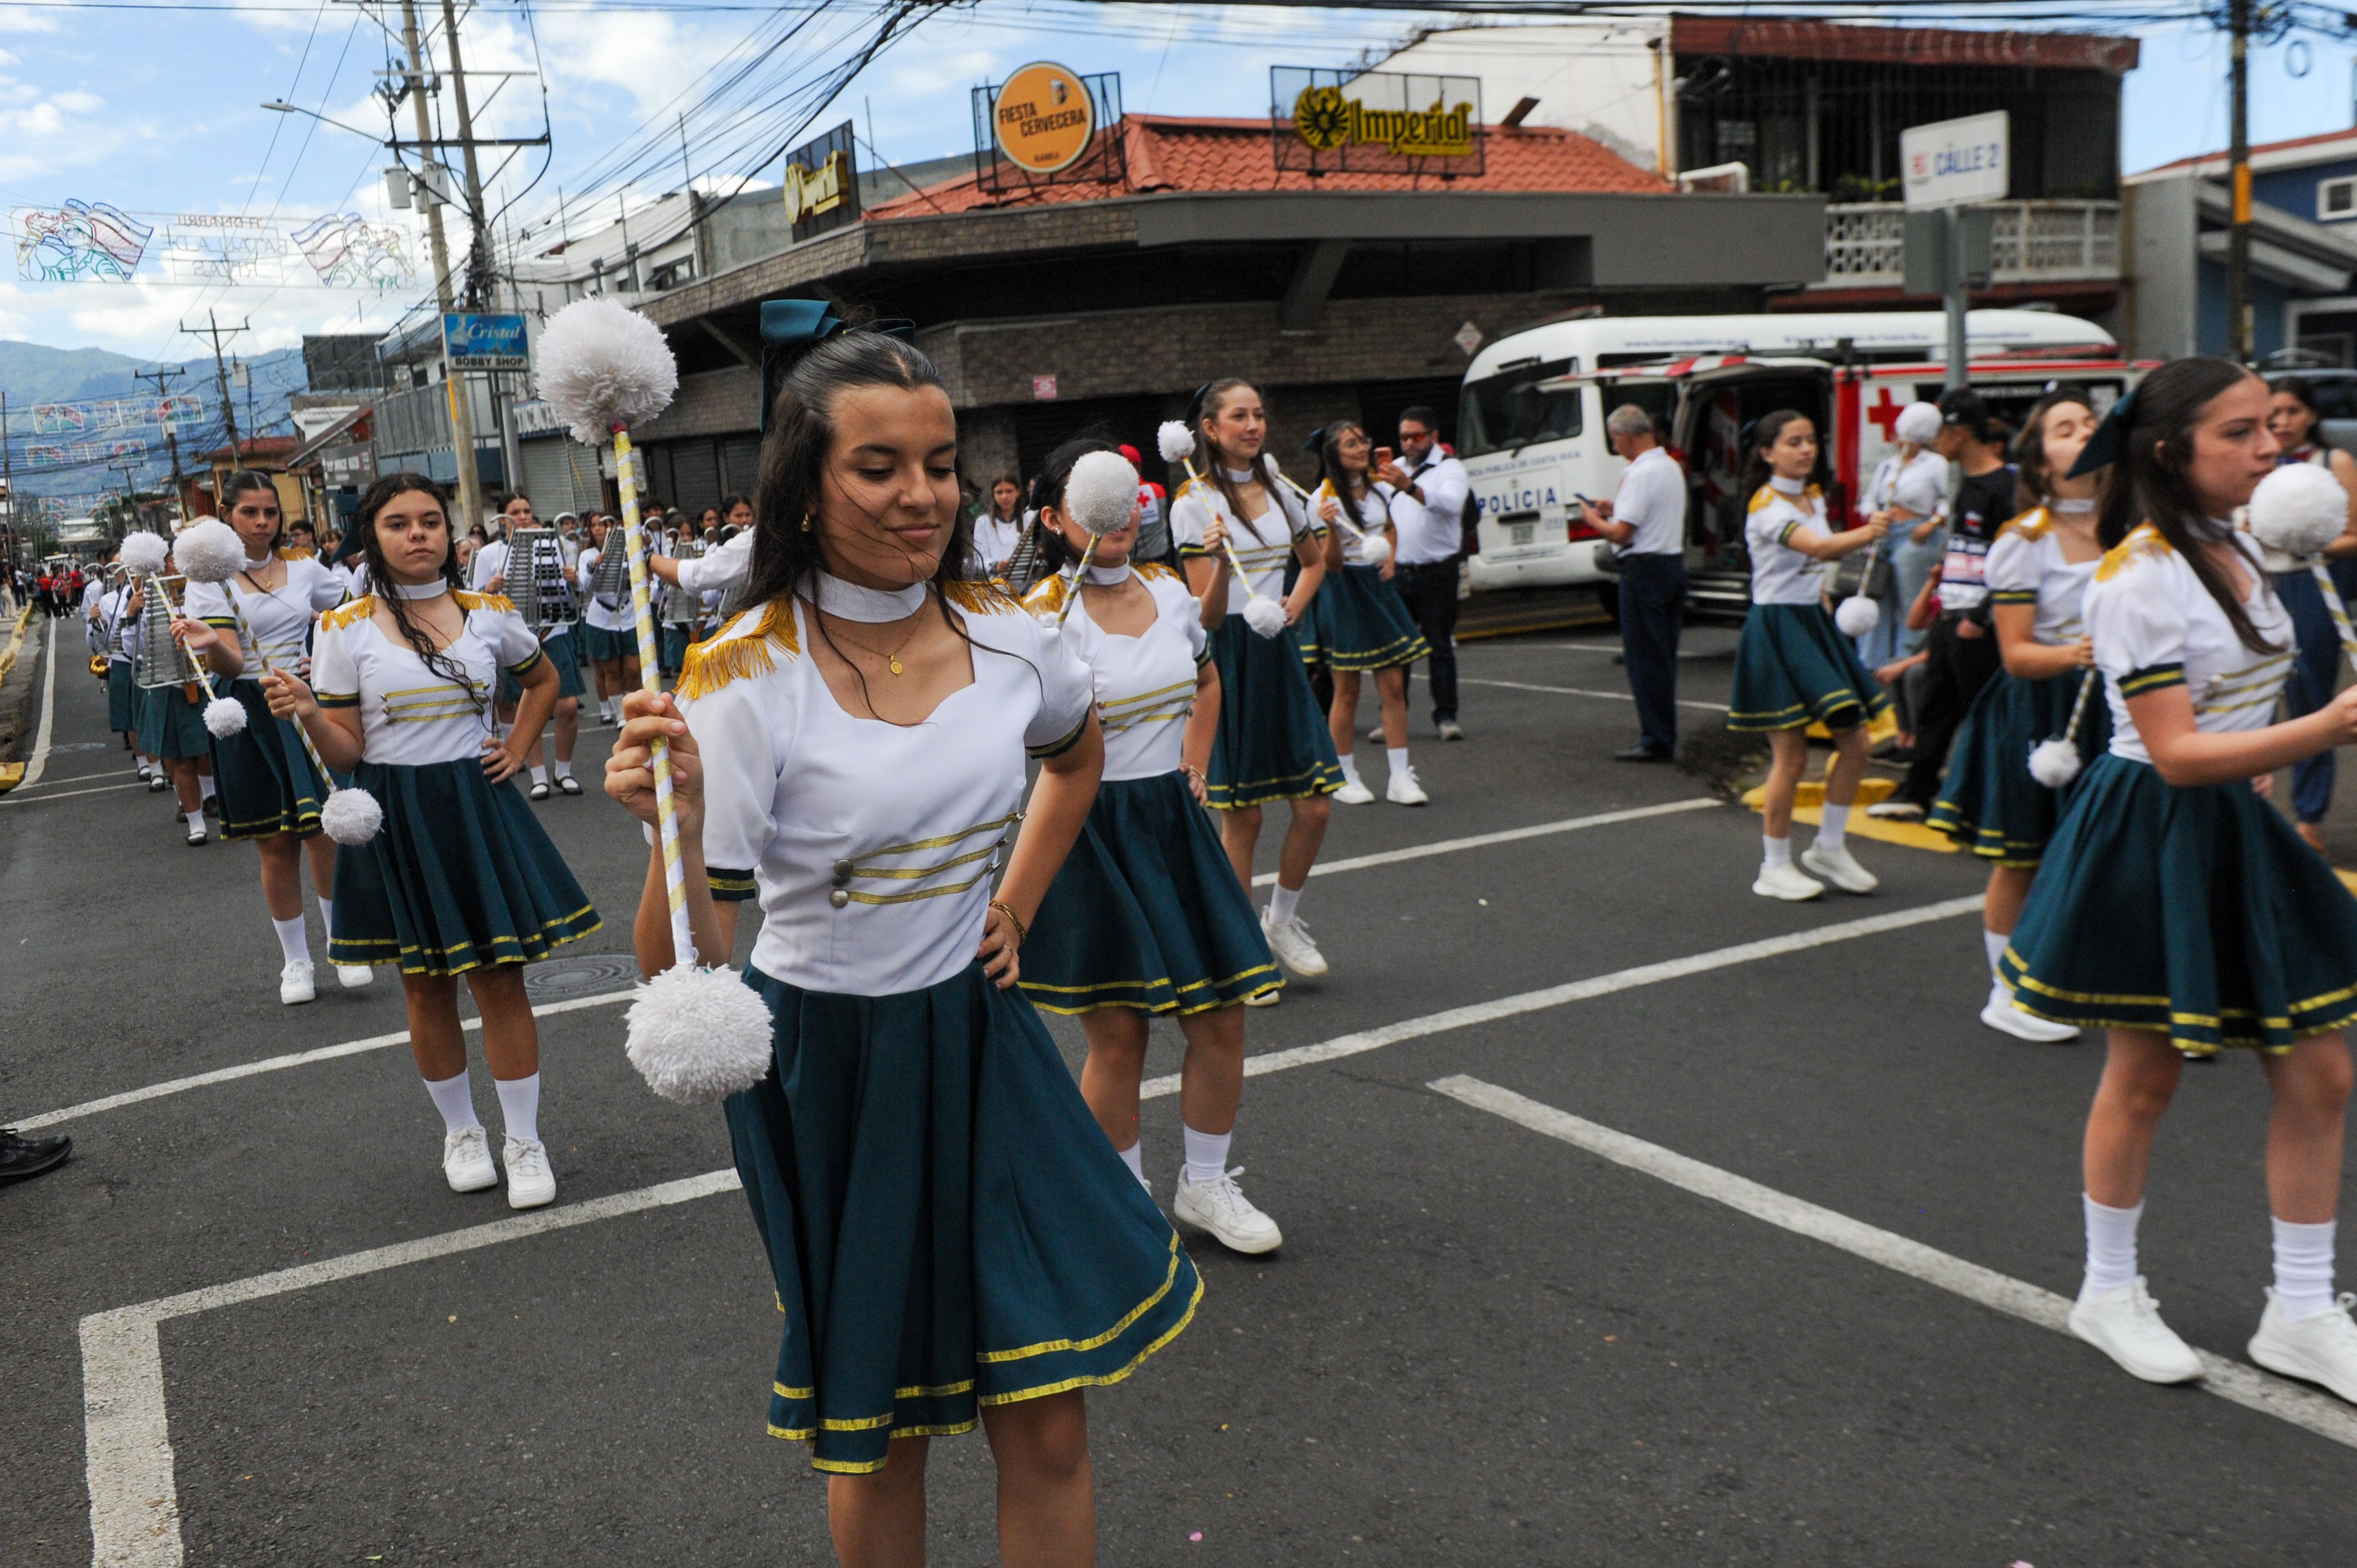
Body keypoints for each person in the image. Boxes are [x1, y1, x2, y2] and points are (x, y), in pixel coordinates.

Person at [606, 328, 1197, 1545]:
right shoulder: (739, 675)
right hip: (833, 1064)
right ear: (805, 489)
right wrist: (678, 827)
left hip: (985, 1042)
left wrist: (1015, 904)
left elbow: (1074, 759)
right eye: (877, 467)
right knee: (884, 1432)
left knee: (1048, 1413)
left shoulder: (1015, 637)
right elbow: (681, 966)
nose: (920, 494)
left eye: (938, 463)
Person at [2000, 357, 2357, 1405]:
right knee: (2144, 1075)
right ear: (2172, 453)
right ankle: (2107, 1290)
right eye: (2241, 433)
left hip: (2235, 823)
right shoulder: (2138, 574)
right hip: (2153, 825)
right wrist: (2331, 722)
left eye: (2270, 429)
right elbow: (2175, 752)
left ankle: (2301, 1310)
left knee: (2322, 1073)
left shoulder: (2242, 538)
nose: (2270, 448)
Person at [266, 473, 596, 1209]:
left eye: (430, 522)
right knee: (425, 986)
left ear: (449, 534)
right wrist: (309, 712)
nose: (418, 534)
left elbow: (544, 683)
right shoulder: (342, 629)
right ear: (372, 539)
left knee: (502, 979)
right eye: (398, 524)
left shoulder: (490, 615)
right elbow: (346, 755)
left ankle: (525, 1140)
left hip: (477, 809)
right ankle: (461, 1133)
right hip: (395, 815)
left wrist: (518, 744)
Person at [1020, 437, 1284, 1253]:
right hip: (1090, 833)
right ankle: (1125, 1208)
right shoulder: (1038, 619)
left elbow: (1206, 679)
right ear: (1055, 517)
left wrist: (1194, 761)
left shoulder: (1171, 592)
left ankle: (1204, 1186)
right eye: (1092, 507)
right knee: (1121, 1033)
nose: (1119, 520)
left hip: (1172, 824)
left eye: (1128, 501)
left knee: (1222, 1015)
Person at [1926, 390, 2109, 1043]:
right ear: (2037, 462)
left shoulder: (2131, 529)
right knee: (2021, 857)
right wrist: (2076, 653)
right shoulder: (2023, 540)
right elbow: (2016, 655)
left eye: (2090, 422)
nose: (2084, 431)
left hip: (2117, 707)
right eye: (2066, 427)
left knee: (2110, 855)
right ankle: (2005, 992)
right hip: (2041, 709)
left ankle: (2109, 985)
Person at [1170, 378, 1341, 991]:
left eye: (1259, 415)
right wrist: (1217, 563)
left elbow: (1315, 561)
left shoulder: (1279, 488)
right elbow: (1206, 617)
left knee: (1315, 805)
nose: (1253, 425)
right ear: (1209, 429)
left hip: (1276, 651)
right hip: (1229, 655)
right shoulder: (1193, 501)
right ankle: (1244, 951)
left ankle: (1281, 921)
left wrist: (1291, 608)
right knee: (1242, 820)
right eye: (1238, 416)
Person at [177, 470, 368, 1004]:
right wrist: (212, 642)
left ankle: (342, 943)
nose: (263, 523)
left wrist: (324, 646)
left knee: (325, 831)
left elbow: (350, 609)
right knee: (276, 842)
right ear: (226, 514)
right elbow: (233, 661)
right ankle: (296, 962)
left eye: (270, 513)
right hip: (250, 712)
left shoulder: (306, 566)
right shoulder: (206, 580)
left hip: (306, 703)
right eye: (249, 513)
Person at [1727, 409, 1890, 901]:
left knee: (1857, 743)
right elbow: (1818, 548)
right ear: (1767, 452)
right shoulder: (1768, 507)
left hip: (1812, 624)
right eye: (1794, 442)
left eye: (1811, 440)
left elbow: (1813, 568)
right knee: (1791, 757)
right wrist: (1869, 531)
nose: (1806, 449)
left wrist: (1824, 601)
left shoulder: (1811, 495)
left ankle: (1830, 848)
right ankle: (1774, 865)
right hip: (1776, 628)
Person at [1872, 390, 2015, 821]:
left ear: (1960, 433)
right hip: (1948, 614)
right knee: (1935, 710)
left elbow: (2013, 564)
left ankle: (1991, 802)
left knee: (1984, 717)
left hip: (1976, 625)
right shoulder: (1966, 487)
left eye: (1940, 433)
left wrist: (1979, 616)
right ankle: (1916, 793)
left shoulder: (2005, 489)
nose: (1935, 443)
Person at [1308, 421, 1429, 804]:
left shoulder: (1378, 487)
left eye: (1362, 440)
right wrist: (1329, 528)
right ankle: (1344, 775)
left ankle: (1400, 777)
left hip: (1379, 587)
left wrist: (1391, 555)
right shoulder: (1321, 500)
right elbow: (1331, 566)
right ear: (1334, 454)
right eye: (1350, 444)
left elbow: (1389, 527)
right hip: (1345, 591)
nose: (1361, 449)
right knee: (1347, 689)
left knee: (1394, 686)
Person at [2260, 378, 2357, 852]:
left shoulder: (2332, 462)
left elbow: (2355, 534)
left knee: (2312, 700)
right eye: (2272, 413)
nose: (2281, 422)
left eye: (2292, 411)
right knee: (2250, 697)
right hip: (2256, 587)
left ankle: (2310, 817)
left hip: (2314, 589)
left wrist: (2305, 544)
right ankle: (2248, 805)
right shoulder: (2253, 463)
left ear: (2312, 416)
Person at [1582, 402, 1687, 762]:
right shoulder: (1669, 466)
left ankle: (1657, 739)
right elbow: (1646, 515)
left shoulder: (1640, 473)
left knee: (1645, 661)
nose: (1614, 446)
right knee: (1663, 656)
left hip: (1644, 571)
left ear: (1627, 436)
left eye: (1614, 439)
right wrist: (1617, 508)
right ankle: (1662, 732)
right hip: (1671, 565)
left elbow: (1622, 534)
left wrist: (1592, 519)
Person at [477, 492, 587, 799]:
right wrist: (489, 589)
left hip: (554, 630)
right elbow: (472, 597)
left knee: (566, 706)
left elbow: (576, 594)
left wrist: (574, 580)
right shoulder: (490, 553)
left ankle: (564, 771)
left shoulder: (555, 544)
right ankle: (538, 776)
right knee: (528, 705)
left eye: (527, 510)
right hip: (515, 637)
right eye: (515, 512)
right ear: (502, 519)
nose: (523, 516)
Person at [1385, 406, 1470, 741]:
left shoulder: (1450, 469)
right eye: (1404, 437)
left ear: (1434, 437)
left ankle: (1446, 715)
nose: (1409, 443)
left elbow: (1450, 504)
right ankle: (1395, 716)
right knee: (1398, 650)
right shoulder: (1392, 470)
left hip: (1438, 571)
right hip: (1399, 571)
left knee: (1440, 645)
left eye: (1416, 437)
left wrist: (1409, 487)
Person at [1854, 402, 1950, 667]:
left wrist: (1933, 522)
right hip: (1885, 535)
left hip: (1915, 535)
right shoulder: (1887, 466)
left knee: (1912, 603)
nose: (1902, 442)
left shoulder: (1935, 464)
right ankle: (1871, 662)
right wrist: (1873, 515)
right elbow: (1868, 500)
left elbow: (1947, 498)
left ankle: (1909, 660)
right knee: (1876, 599)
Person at [574, 515, 642, 727]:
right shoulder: (587, 554)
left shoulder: (628, 548)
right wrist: (595, 565)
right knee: (611, 670)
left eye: (602, 525)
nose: (598, 529)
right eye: (593, 526)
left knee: (633, 669)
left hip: (628, 614)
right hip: (601, 618)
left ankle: (636, 709)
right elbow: (584, 586)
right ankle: (620, 715)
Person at [970, 468, 1026, 577]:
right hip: (998, 585)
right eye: (999, 492)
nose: (1004, 496)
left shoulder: (1029, 518)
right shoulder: (983, 523)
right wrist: (997, 566)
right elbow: (980, 558)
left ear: (1018, 492)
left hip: (1027, 583)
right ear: (994, 494)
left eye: (1009, 491)